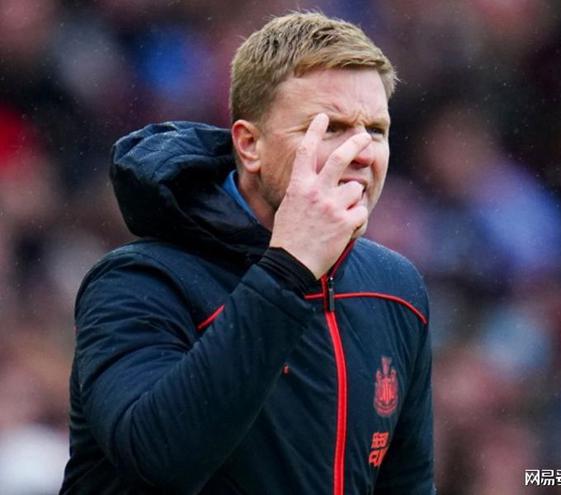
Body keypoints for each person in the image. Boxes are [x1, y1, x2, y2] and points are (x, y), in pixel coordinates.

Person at [61, 12, 434, 495]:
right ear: (249, 144)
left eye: (376, 131)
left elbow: (408, 484)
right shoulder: (137, 282)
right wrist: (289, 267)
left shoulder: (396, 288)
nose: (362, 153)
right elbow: (160, 460)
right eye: (331, 128)